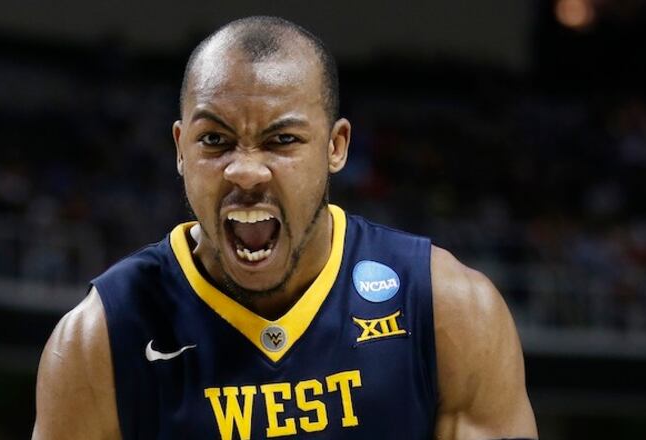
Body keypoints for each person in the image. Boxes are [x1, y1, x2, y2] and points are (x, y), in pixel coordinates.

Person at [32, 16, 538, 440]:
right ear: (180, 149)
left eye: (282, 140)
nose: (245, 170)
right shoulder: (99, 340)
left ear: (336, 147)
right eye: (214, 139)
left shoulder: (449, 310)